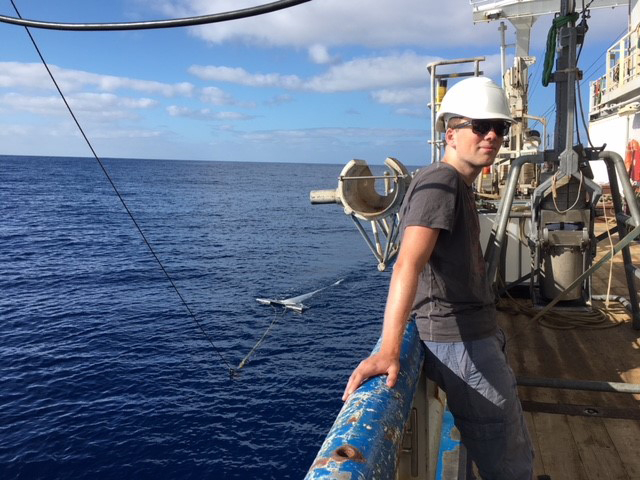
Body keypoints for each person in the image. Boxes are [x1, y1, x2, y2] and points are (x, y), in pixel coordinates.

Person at [342, 76, 534, 479]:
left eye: (500, 128)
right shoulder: (440, 183)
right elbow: (406, 265)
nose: (493, 136)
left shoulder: (455, 183)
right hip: (461, 341)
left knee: (505, 438)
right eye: (480, 127)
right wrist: (389, 350)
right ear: (451, 133)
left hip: (472, 335)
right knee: (506, 453)